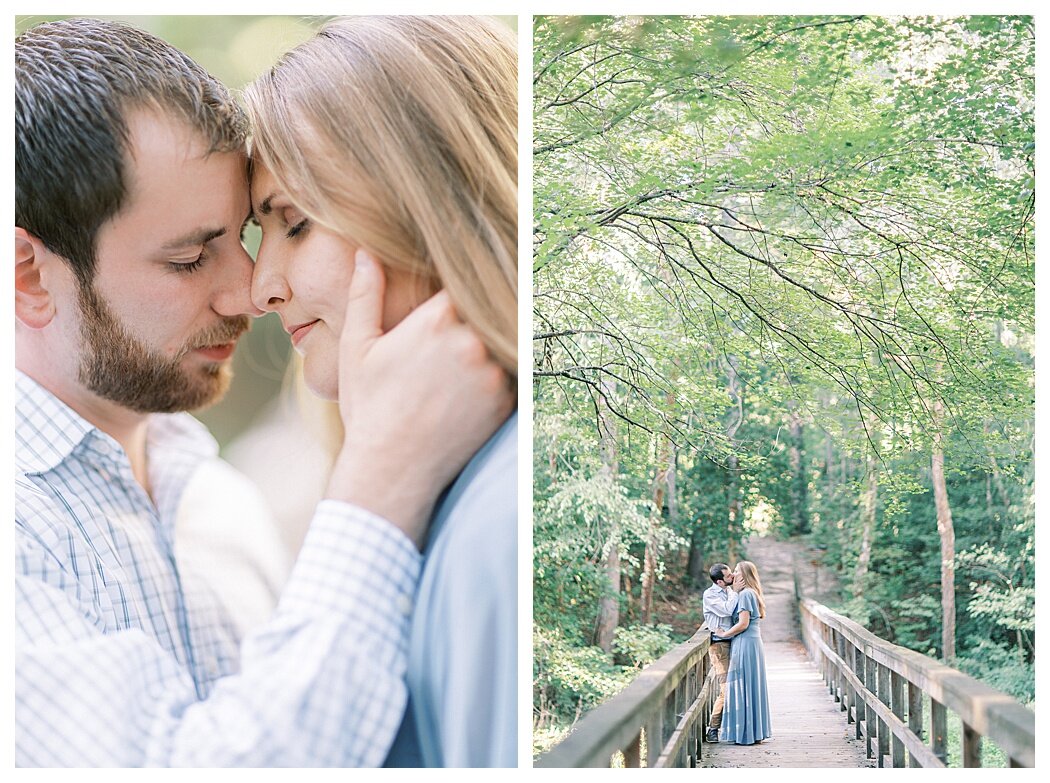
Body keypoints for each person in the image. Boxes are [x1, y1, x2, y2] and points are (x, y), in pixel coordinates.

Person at [14, 17, 511, 766]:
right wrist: (379, 480)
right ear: (29, 276)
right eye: (187, 260)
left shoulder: (220, 504)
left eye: (250, 234)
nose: (250, 291)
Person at [242, 16, 518, 767]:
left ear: (428, 205)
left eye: (294, 223)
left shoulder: (498, 520)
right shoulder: (445, 492)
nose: (261, 285)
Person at [718, 560, 772, 745]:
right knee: (749, 684)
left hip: (745, 642)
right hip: (752, 643)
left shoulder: (746, 594)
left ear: (744, 575)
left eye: (736, 571)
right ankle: (750, 731)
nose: (733, 574)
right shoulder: (748, 593)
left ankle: (745, 733)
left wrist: (724, 634)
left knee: (741, 684)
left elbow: (743, 623)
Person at [702, 562, 738, 743]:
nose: (732, 577)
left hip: (735, 643)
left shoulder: (728, 592)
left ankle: (734, 727)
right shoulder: (710, 595)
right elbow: (727, 610)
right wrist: (737, 592)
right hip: (720, 646)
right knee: (727, 688)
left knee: (738, 686)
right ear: (719, 582)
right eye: (728, 576)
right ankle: (713, 729)